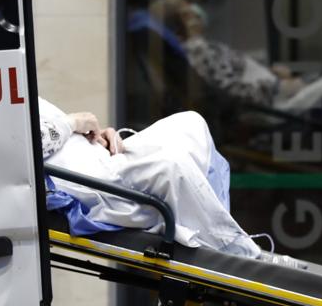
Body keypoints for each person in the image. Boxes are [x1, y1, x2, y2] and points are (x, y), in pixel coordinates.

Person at [149, 0, 322, 172]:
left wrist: (273, 74)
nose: (198, 15)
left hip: (278, 95)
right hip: (273, 106)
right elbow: (231, 93)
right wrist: (277, 85)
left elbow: (237, 77)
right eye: (188, 14)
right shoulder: (199, 50)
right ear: (178, 27)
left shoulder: (202, 49)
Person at [38, 97, 263, 258]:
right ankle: (239, 252)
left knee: (189, 124)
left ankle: (218, 230)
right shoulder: (4, 94)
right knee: (172, 166)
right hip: (84, 181)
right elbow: (26, 148)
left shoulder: (11, 84)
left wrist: (95, 137)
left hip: (100, 158)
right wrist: (74, 123)